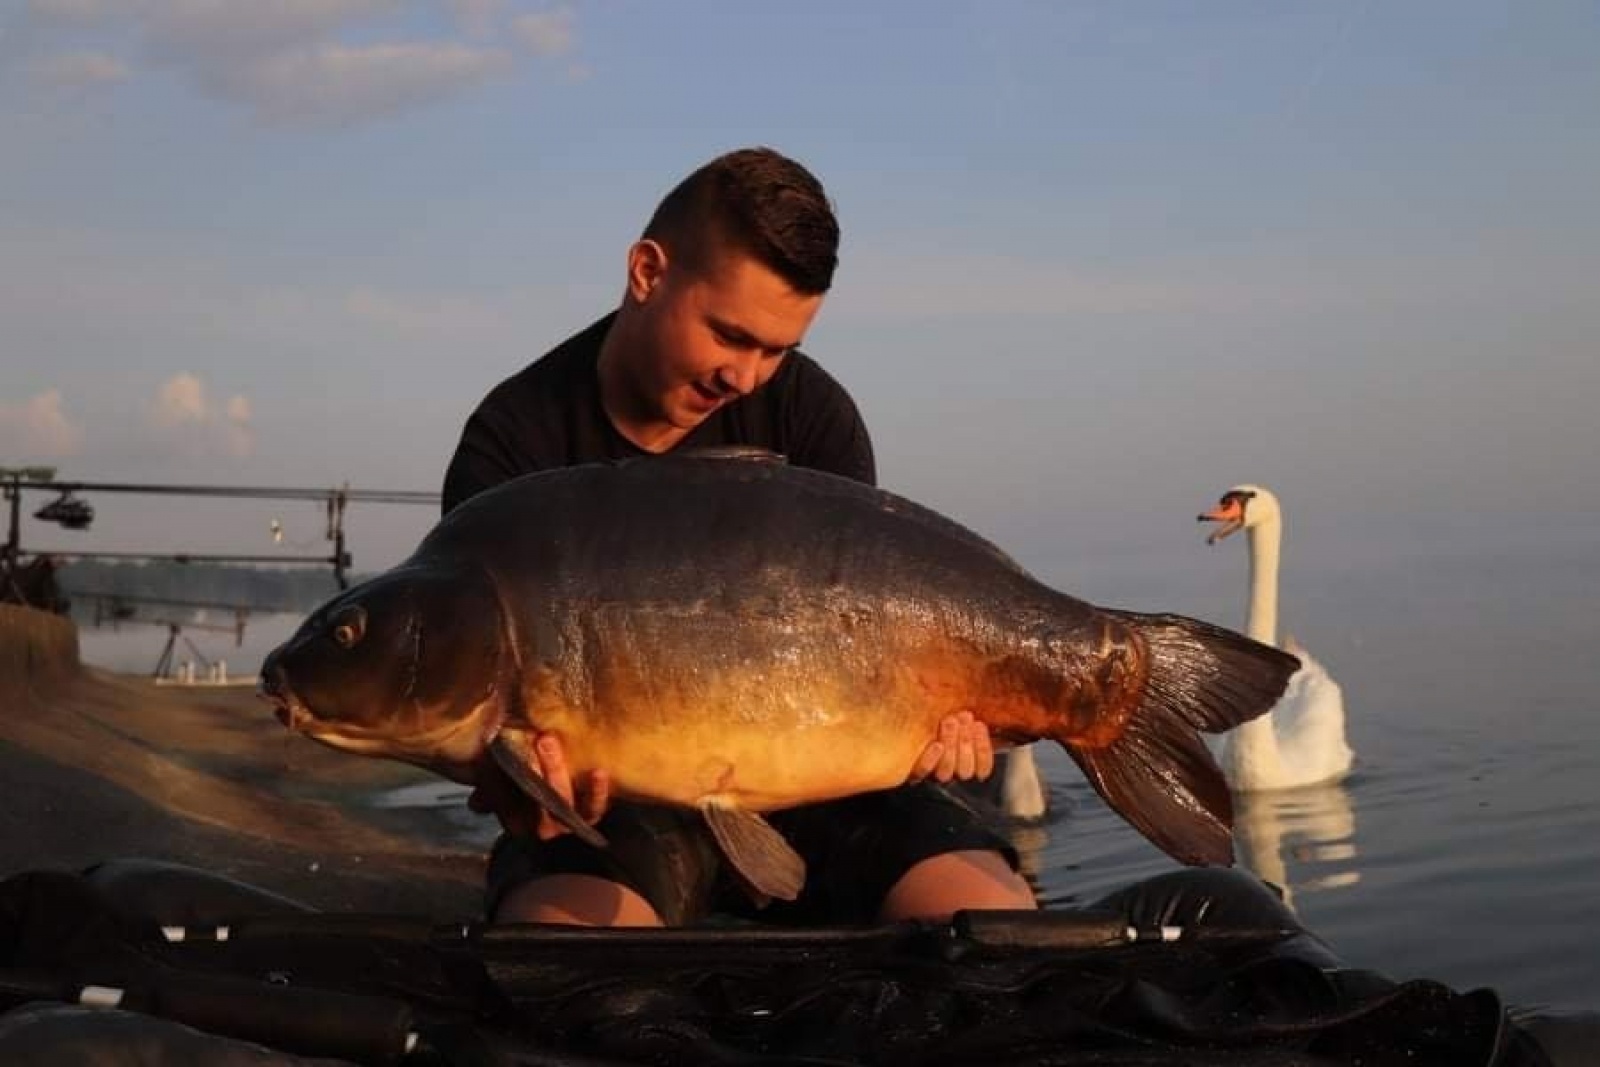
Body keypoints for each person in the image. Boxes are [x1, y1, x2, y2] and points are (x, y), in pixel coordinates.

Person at [441, 146, 1038, 929]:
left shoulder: (812, 416)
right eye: (729, 336)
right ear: (648, 272)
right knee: (568, 957)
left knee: (989, 925)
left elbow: (870, 642)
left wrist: (941, 725)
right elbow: (478, 723)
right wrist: (527, 790)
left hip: (826, 797)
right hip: (621, 815)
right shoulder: (514, 445)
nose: (748, 378)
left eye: (777, 348)